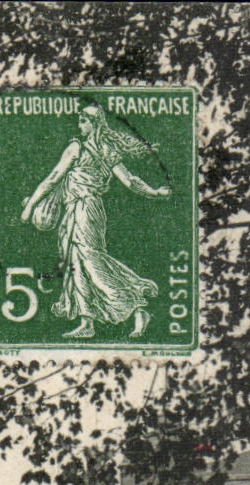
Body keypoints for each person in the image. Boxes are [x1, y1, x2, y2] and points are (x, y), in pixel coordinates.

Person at [19, 102, 173, 340]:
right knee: (77, 263)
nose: (79, 125)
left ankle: (134, 307)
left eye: (83, 121)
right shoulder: (106, 150)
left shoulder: (77, 148)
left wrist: (30, 206)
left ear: (95, 124)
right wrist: (154, 192)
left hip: (84, 210)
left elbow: (53, 178)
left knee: (91, 262)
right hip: (82, 210)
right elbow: (130, 181)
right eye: (79, 121)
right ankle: (87, 321)